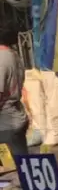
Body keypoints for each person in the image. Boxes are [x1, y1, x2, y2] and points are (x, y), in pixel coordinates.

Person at [0, 19, 29, 157]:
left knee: (13, 169)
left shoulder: (1, 58)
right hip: (15, 117)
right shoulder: (13, 55)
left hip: (6, 124)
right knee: (21, 164)